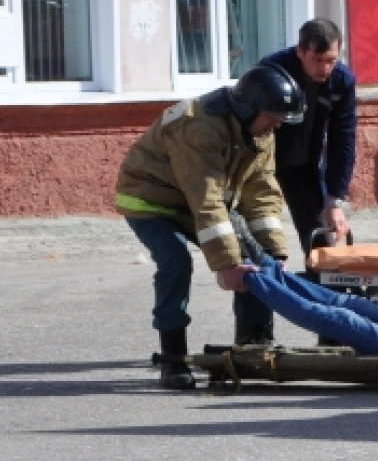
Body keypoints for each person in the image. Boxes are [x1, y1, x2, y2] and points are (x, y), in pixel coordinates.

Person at [115, 64, 304, 390]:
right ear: (249, 108)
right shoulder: (199, 127)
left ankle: (252, 346)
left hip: (196, 200)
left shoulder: (261, 132)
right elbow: (207, 199)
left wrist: (274, 251)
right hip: (150, 200)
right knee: (176, 261)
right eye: (272, 116)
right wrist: (227, 265)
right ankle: (173, 359)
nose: (277, 125)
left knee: (256, 263)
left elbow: (261, 192)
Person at [261, 19, 358, 251]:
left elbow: (343, 141)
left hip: (303, 167)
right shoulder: (272, 71)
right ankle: (259, 285)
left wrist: (335, 200)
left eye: (331, 61)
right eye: (317, 59)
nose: (324, 69)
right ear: (300, 51)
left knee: (321, 241)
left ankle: (320, 285)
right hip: (262, 165)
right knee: (263, 240)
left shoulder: (342, 81)